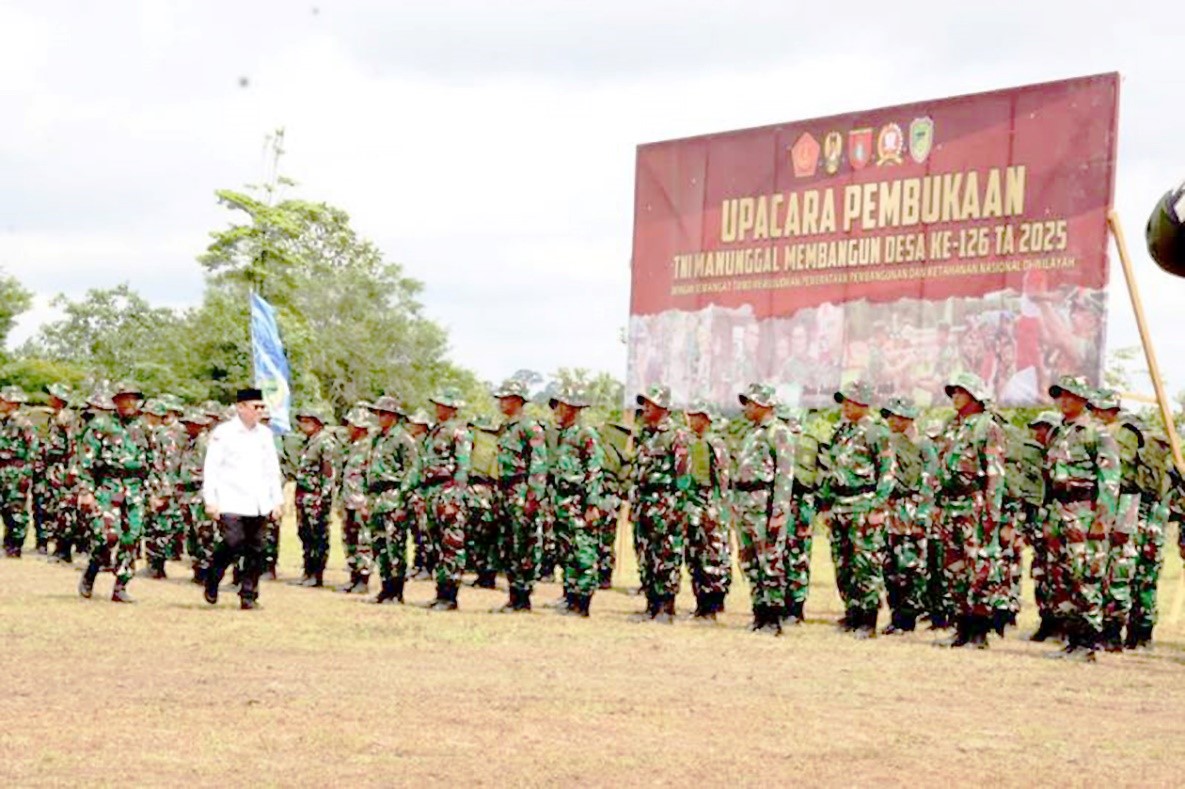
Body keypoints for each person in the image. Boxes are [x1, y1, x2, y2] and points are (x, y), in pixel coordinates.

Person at [1042, 375, 1119, 660]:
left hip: (1084, 510)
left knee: (1085, 575)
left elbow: (1109, 479)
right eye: (1059, 395)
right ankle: (1073, 638)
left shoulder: (1097, 432)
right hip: (1059, 511)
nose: (1063, 400)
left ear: (1083, 399)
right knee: (1061, 576)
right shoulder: (1057, 432)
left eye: (1069, 396)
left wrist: (1102, 518)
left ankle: (1089, 642)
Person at [935, 372, 1007, 648]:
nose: (955, 396)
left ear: (976, 396)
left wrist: (991, 511)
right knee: (954, 568)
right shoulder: (951, 426)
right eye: (952, 391)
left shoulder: (988, 427)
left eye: (960, 391)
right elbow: (939, 467)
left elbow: (995, 474)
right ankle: (961, 626)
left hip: (974, 503)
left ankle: (979, 630)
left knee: (978, 566)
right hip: (950, 504)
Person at [818, 380, 894, 638]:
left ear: (864, 403)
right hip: (840, 504)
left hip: (863, 504)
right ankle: (852, 612)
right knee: (843, 562)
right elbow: (830, 470)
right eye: (844, 401)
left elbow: (886, 472)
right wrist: (826, 504)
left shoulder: (876, 431)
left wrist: (878, 506)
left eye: (850, 401)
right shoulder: (841, 431)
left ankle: (868, 619)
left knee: (866, 563)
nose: (845, 406)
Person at [201, 387, 284, 610]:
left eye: (262, 407)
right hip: (231, 499)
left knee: (257, 550)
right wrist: (211, 499)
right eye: (255, 407)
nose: (259, 411)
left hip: (258, 501)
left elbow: (271, 469)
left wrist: (277, 500)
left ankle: (249, 594)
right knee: (232, 542)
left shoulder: (265, 434)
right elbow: (212, 468)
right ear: (240, 408)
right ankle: (213, 577)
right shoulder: (224, 432)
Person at [76, 382, 158, 602]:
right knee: (107, 536)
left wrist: (156, 492)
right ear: (115, 401)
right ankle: (92, 571)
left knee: (132, 536)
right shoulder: (100, 426)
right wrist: (86, 491)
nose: (130, 402)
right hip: (108, 486)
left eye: (133, 398)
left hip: (135, 488)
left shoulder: (144, 428)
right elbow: (85, 462)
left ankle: (121, 585)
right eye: (124, 398)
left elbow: (154, 463)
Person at [733, 382, 796, 635]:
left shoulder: (778, 432)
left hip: (765, 505)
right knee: (750, 562)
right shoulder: (752, 433)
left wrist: (778, 512)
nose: (746, 408)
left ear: (764, 404)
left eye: (750, 402)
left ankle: (773, 617)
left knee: (769, 561)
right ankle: (758, 613)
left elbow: (784, 475)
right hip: (746, 504)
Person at [628, 384, 691, 622]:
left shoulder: (676, 435)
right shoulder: (645, 434)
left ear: (663, 407)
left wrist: (676, 508)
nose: (644, 408)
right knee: (645, 553)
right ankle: (651, 604)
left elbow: (683, 476)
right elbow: (637, 470)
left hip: (666, 502)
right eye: (643, 403)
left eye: (649, 403)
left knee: (666, 555)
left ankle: (666, 606)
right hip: (644, 502)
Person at [546, 384, 605, 617]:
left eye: (561, 406)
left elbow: (594, 470)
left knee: (583, 551)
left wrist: (592, 504)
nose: (557, 410)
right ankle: (570, 596)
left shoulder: (585, 434)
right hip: (562, 501)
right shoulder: (562, 435)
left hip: (579, 502)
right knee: (567, 550)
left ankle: (582, 602)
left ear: (572, 408)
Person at [880, 396, 937, 635]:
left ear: (908, 418)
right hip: (891, 508)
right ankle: (896, 615)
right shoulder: (889, 443)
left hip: (912, 507)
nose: (891, 420)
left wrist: (923, 511)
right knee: (890, 564)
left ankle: (909, 617)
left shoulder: (923, 444)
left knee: (911, 564)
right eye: (889, 416)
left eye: (895, 415)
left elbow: (931, 477)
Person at [490, 379, 548, 612]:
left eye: (505, 398)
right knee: (508, 544)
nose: (501, 403)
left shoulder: (530, 428)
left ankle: (523, 596)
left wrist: (533, 498)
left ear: (517, 401)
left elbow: (538, 465)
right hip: (505, 491)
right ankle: (514, 594)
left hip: (521, 490)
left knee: (524, 544)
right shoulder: (505, 428)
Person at [414, 387, 473, 611]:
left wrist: (455, 498)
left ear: (452, 408)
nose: (438, 408)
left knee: (452, 544)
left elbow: (463, 466)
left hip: (448, 492)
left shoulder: (459, 432)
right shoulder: (435, 431)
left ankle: (450, 596)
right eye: (437, 404)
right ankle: (440, 593)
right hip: (432, 492)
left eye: (443, 405)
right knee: (436, 544)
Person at [365, 395, 418, 605]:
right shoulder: (377, 438)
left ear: (394, 416)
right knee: (379, 545)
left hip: (394, 494)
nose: (380, 417)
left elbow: (412, 470)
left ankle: (397, 591)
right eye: (378, 413)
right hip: (377, 496)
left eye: (384, 413)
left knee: (394, 544)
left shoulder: (403, 439)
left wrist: (403, 496)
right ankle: (385, 588)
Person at [682, 401, 732, 621]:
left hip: (710, 504)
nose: (691, 420)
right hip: (692, 504)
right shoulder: (688, 442)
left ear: (706, 419)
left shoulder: (715, 443)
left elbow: (722, 478)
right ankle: (700, 601)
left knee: (713, 553)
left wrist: (718, 509)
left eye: (696, 416)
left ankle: (713, 604)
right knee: (694, 553)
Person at [290, 406, 338, 587]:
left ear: (317, 423)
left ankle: (316, 575)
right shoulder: (309, 442)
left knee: (318, 537)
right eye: (302, 421)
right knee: (305, 534)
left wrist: (323, 500)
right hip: (304, 496)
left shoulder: (325, 442)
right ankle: (307, 571)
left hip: (316, 498)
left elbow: (328, 474)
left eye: (308, 421)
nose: (303, 424)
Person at [336, 408, 374, 594]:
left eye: (351, 424)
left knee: (363, 540)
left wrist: (367, 502)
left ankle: (363, 578)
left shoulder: (371, 448)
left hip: (361, 502)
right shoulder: (351, 447)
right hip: (348, 501)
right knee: (349, 539)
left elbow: (370, 477)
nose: (348, 428)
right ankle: (353, 576)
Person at [0, 386, 38, 558]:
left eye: (3, 400)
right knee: (5, 508)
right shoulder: (4, 422)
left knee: (16, 509)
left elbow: (33, 448)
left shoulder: (24, 423)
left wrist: (26, 473)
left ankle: (16, 546)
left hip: (17, 470)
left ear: (13, 403)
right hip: (3, 469)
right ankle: (8, 543)